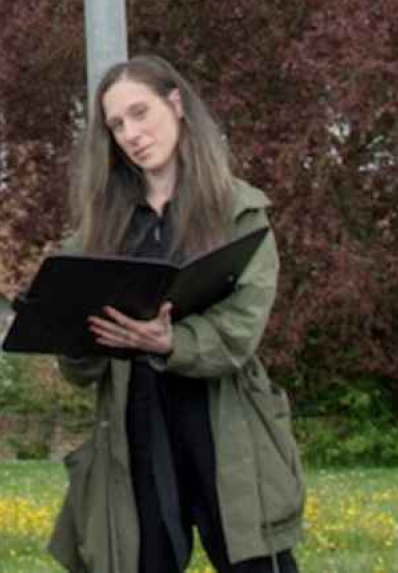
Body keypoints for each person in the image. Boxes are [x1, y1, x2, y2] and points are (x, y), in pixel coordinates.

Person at [47, 55, 305, 573]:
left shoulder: (239, 211)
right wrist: (55, 322)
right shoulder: (97, 232)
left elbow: (239, 331)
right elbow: (78, 367)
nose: (132, 134)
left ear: (176, 103)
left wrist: (170, 342)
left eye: (140, 113)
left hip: (226, 429)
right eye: (117, 125)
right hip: (136, 430)